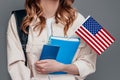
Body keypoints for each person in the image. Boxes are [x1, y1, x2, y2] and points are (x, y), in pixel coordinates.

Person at [7, 0, 97, 80]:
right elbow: (16, 65)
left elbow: (88, 62)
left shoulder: (78, 19)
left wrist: (62, 67)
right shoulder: (18, 19)